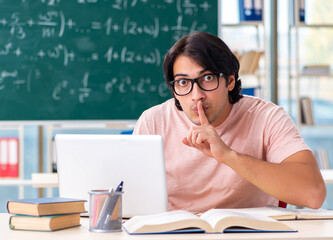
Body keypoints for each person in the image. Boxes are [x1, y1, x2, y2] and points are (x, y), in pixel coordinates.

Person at [133, 32, 326, 213]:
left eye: (207, 78)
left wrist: (227, 155)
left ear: (230, 81)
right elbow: (129, 197)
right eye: (183, 82)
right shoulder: (153, 122)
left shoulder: (267, 117)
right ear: (174, 89)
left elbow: (314, 194)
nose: (196, 95)